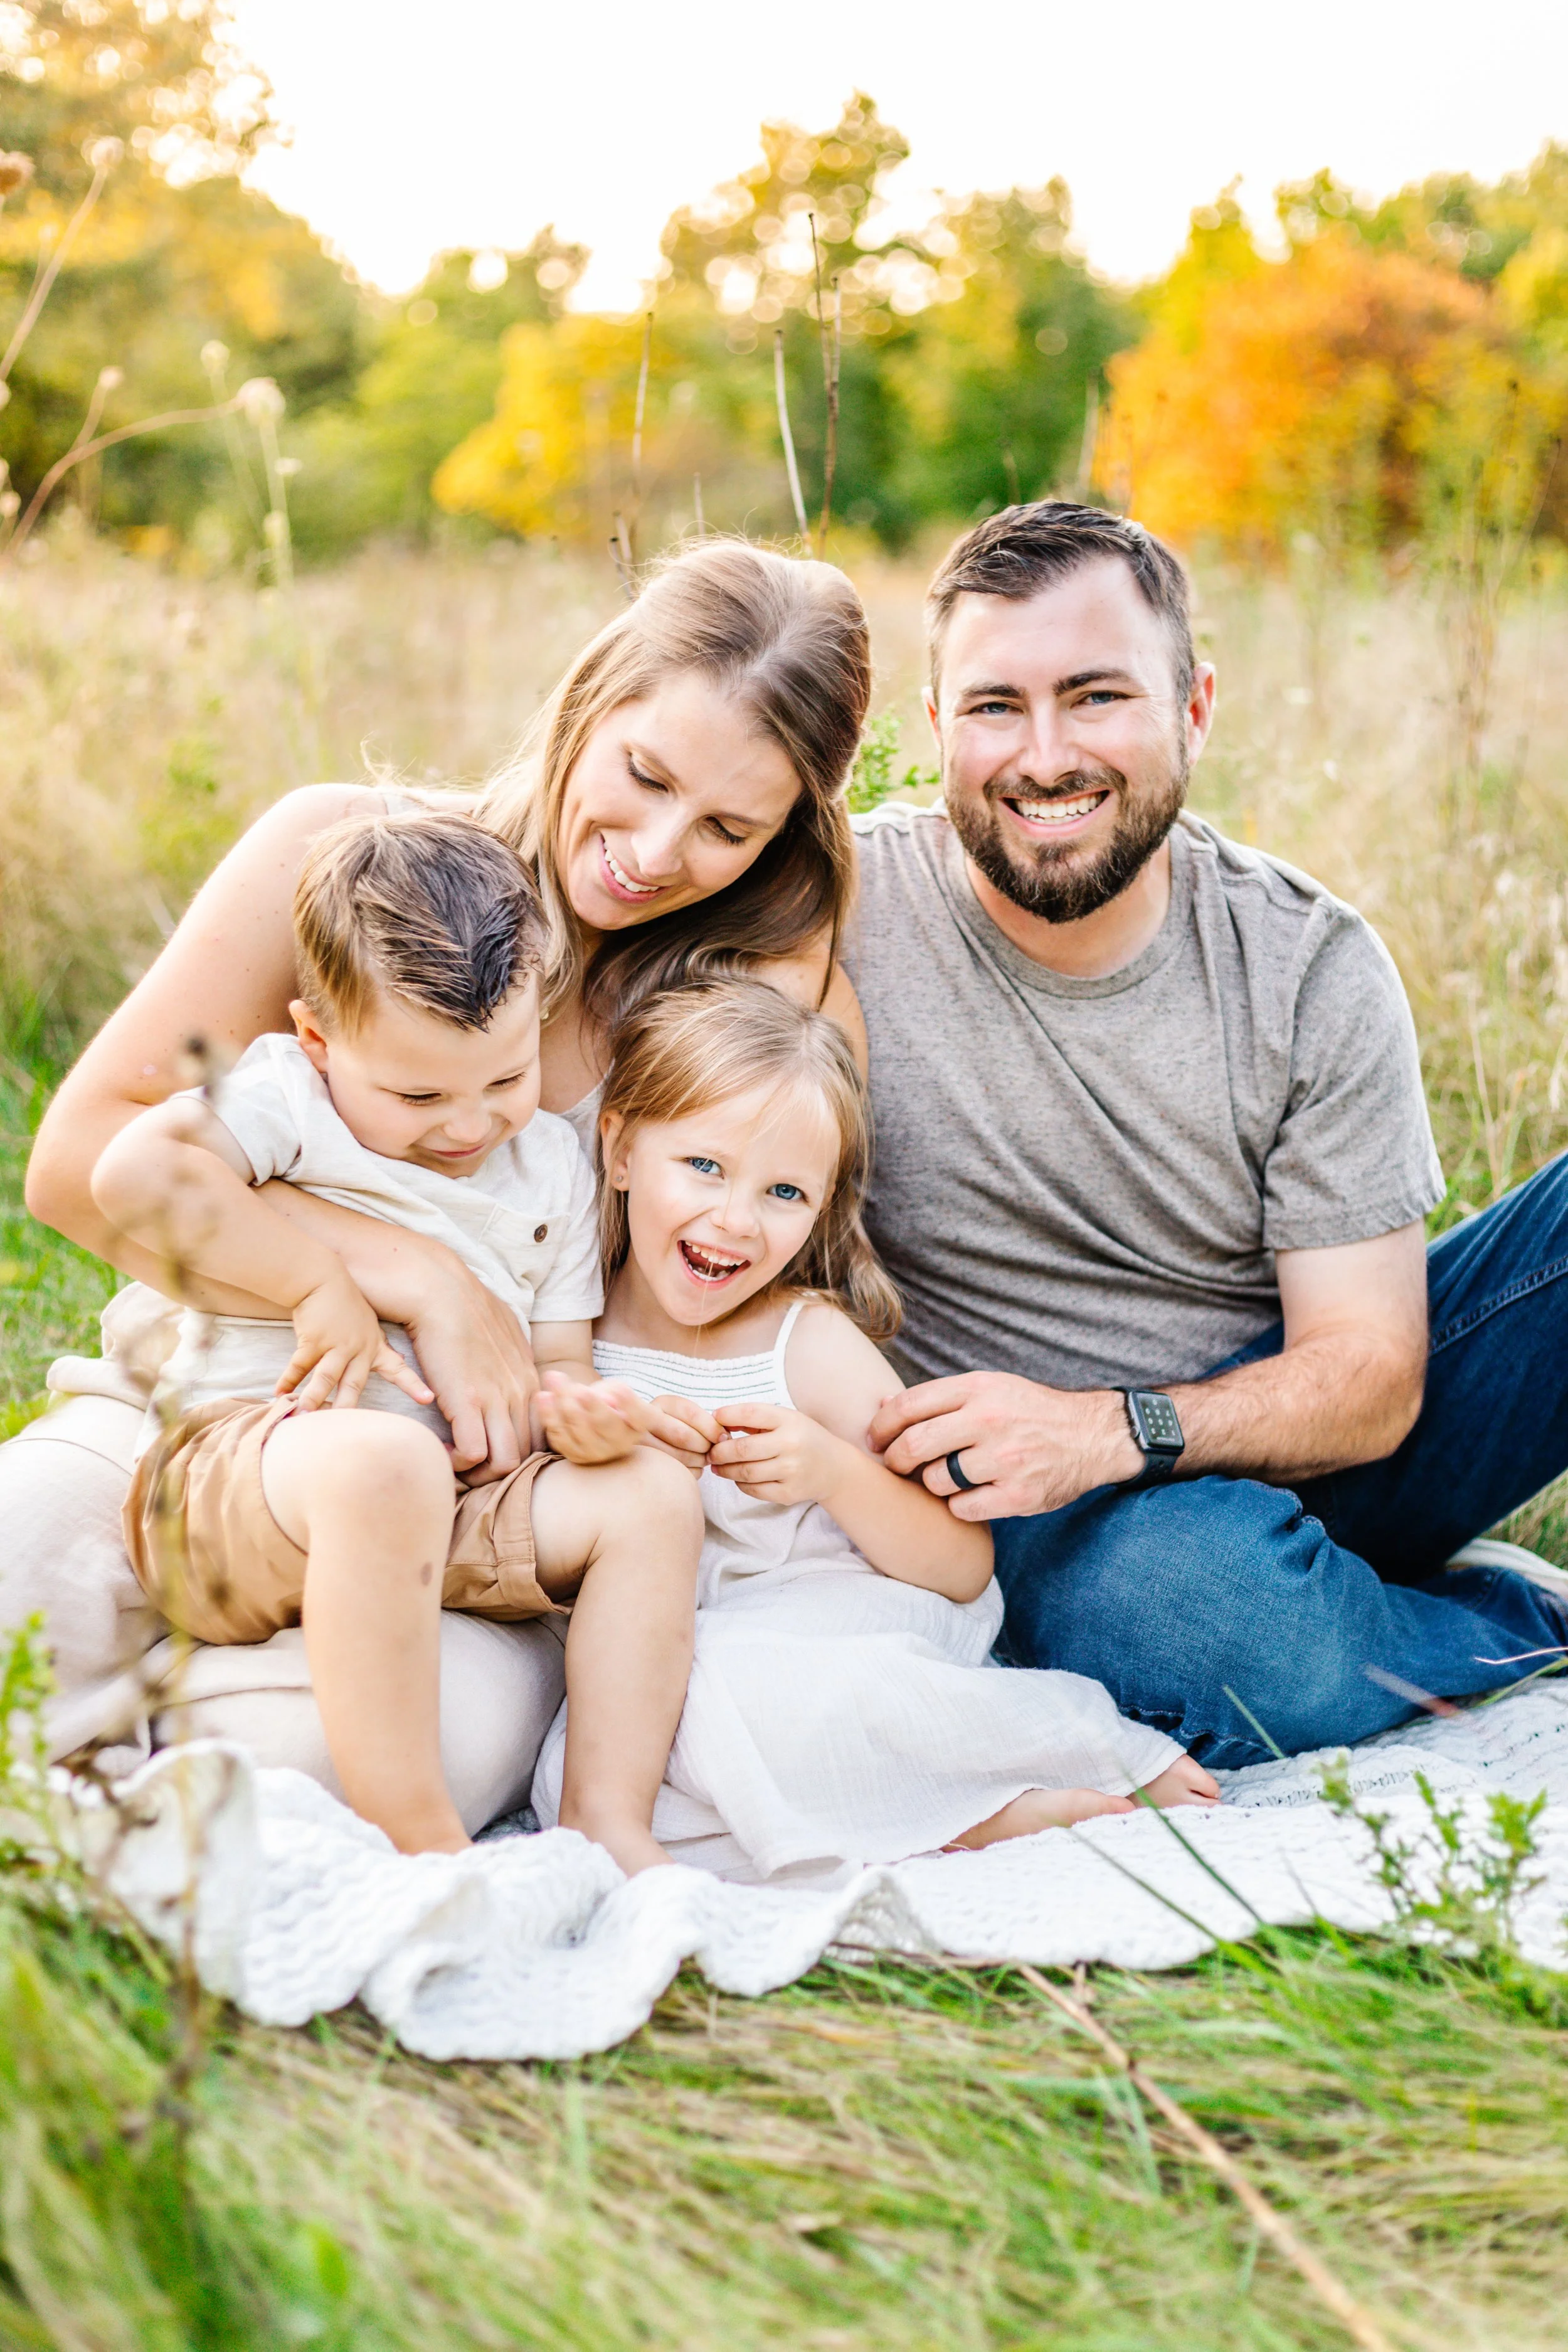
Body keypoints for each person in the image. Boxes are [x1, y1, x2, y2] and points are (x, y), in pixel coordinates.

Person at [7, 539, 870, 1820]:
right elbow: (81, 1169)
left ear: (783, 834)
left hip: (481, 1506)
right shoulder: (339, 860)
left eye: (726, 829)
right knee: (22, 1567)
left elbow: (737, 1289)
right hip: (190, 1413)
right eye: (641, 776)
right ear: (590, 700)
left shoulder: (746, 1002)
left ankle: (127, 1778)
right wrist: (419, 1277)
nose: (651, 848)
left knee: (342, 1776)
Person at [850, 499, 1568, 1767]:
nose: (1044, 755)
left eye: (1095, 696)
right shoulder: (834, 914)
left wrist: (1115, 1426)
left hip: (1305, 1430)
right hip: (1065, 1523)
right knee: (1213, 1624)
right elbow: (544, 853)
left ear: (1193, 709)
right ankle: (1482, 1619)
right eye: (993, 706)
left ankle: (1338, 1586)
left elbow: (1370, 1379)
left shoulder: (1305, 965)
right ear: (932, 731)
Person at [93, 811, 702, 1867]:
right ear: (321, 1037)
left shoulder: (551, 1168)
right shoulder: (289, 1095)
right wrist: (310, 1278)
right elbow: (130, 1175)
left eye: (504, 1082)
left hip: (456, 1512)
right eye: (419, 1094)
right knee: (383, 1465)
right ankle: (415, 1835)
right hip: (244, 1481)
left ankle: (608, 1817)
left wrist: (582, 1411)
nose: (466, 1126)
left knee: (651, 1495)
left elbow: (557, 1359)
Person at [531, 978, 1217, 1882]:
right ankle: (924, 1812)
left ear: (819, 1209)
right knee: (591, 1761)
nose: (734, 1218)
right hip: (668, 1652)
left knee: (728, 1693)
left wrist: (829, 1472)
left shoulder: (805, 1344)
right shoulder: (573, 1340)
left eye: (782, 1191)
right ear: (617, 1148)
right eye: (703, 1165)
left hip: (830, 1628)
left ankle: (1017, 1780)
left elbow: (965, 1565)